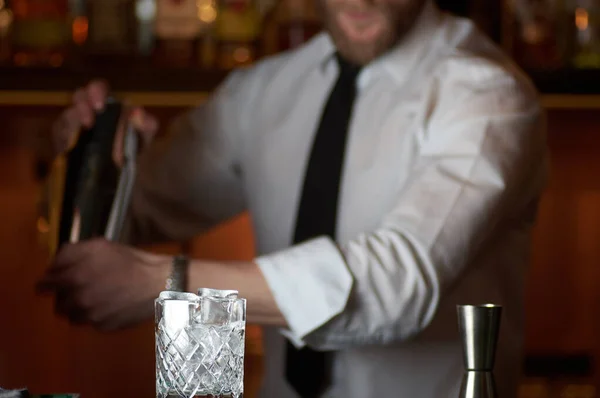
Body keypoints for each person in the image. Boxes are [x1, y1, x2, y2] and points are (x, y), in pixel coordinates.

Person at [37, 0, 549, 396]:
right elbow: (133, 219)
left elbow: (397, 282)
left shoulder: (488, 95)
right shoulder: (264, 90)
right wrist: (90, 164)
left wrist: (167, 284)